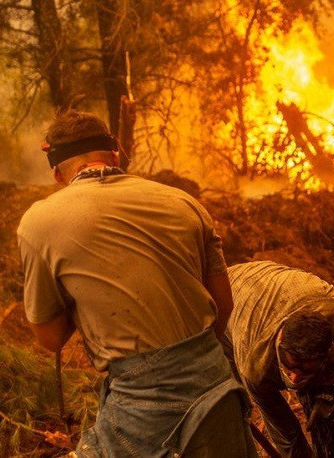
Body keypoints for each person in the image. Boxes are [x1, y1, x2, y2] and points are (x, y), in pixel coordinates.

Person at [17, 110, 256, 457]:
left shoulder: (38, 223)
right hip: (216, 388)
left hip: (141, 406)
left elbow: (51, 337)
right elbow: (224, 306)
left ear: (56, 172)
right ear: (116, 154)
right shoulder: (185, 203)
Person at [222, 261, 334, 458]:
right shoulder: (255, 367)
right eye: (290, 367)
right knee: (236, 400)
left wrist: (323, 392)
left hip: (295, 291)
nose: (293, 379)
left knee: (327, 403)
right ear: (280, 340)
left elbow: (329, 370)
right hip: (226, 296)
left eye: (304, 370)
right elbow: (285, 433)